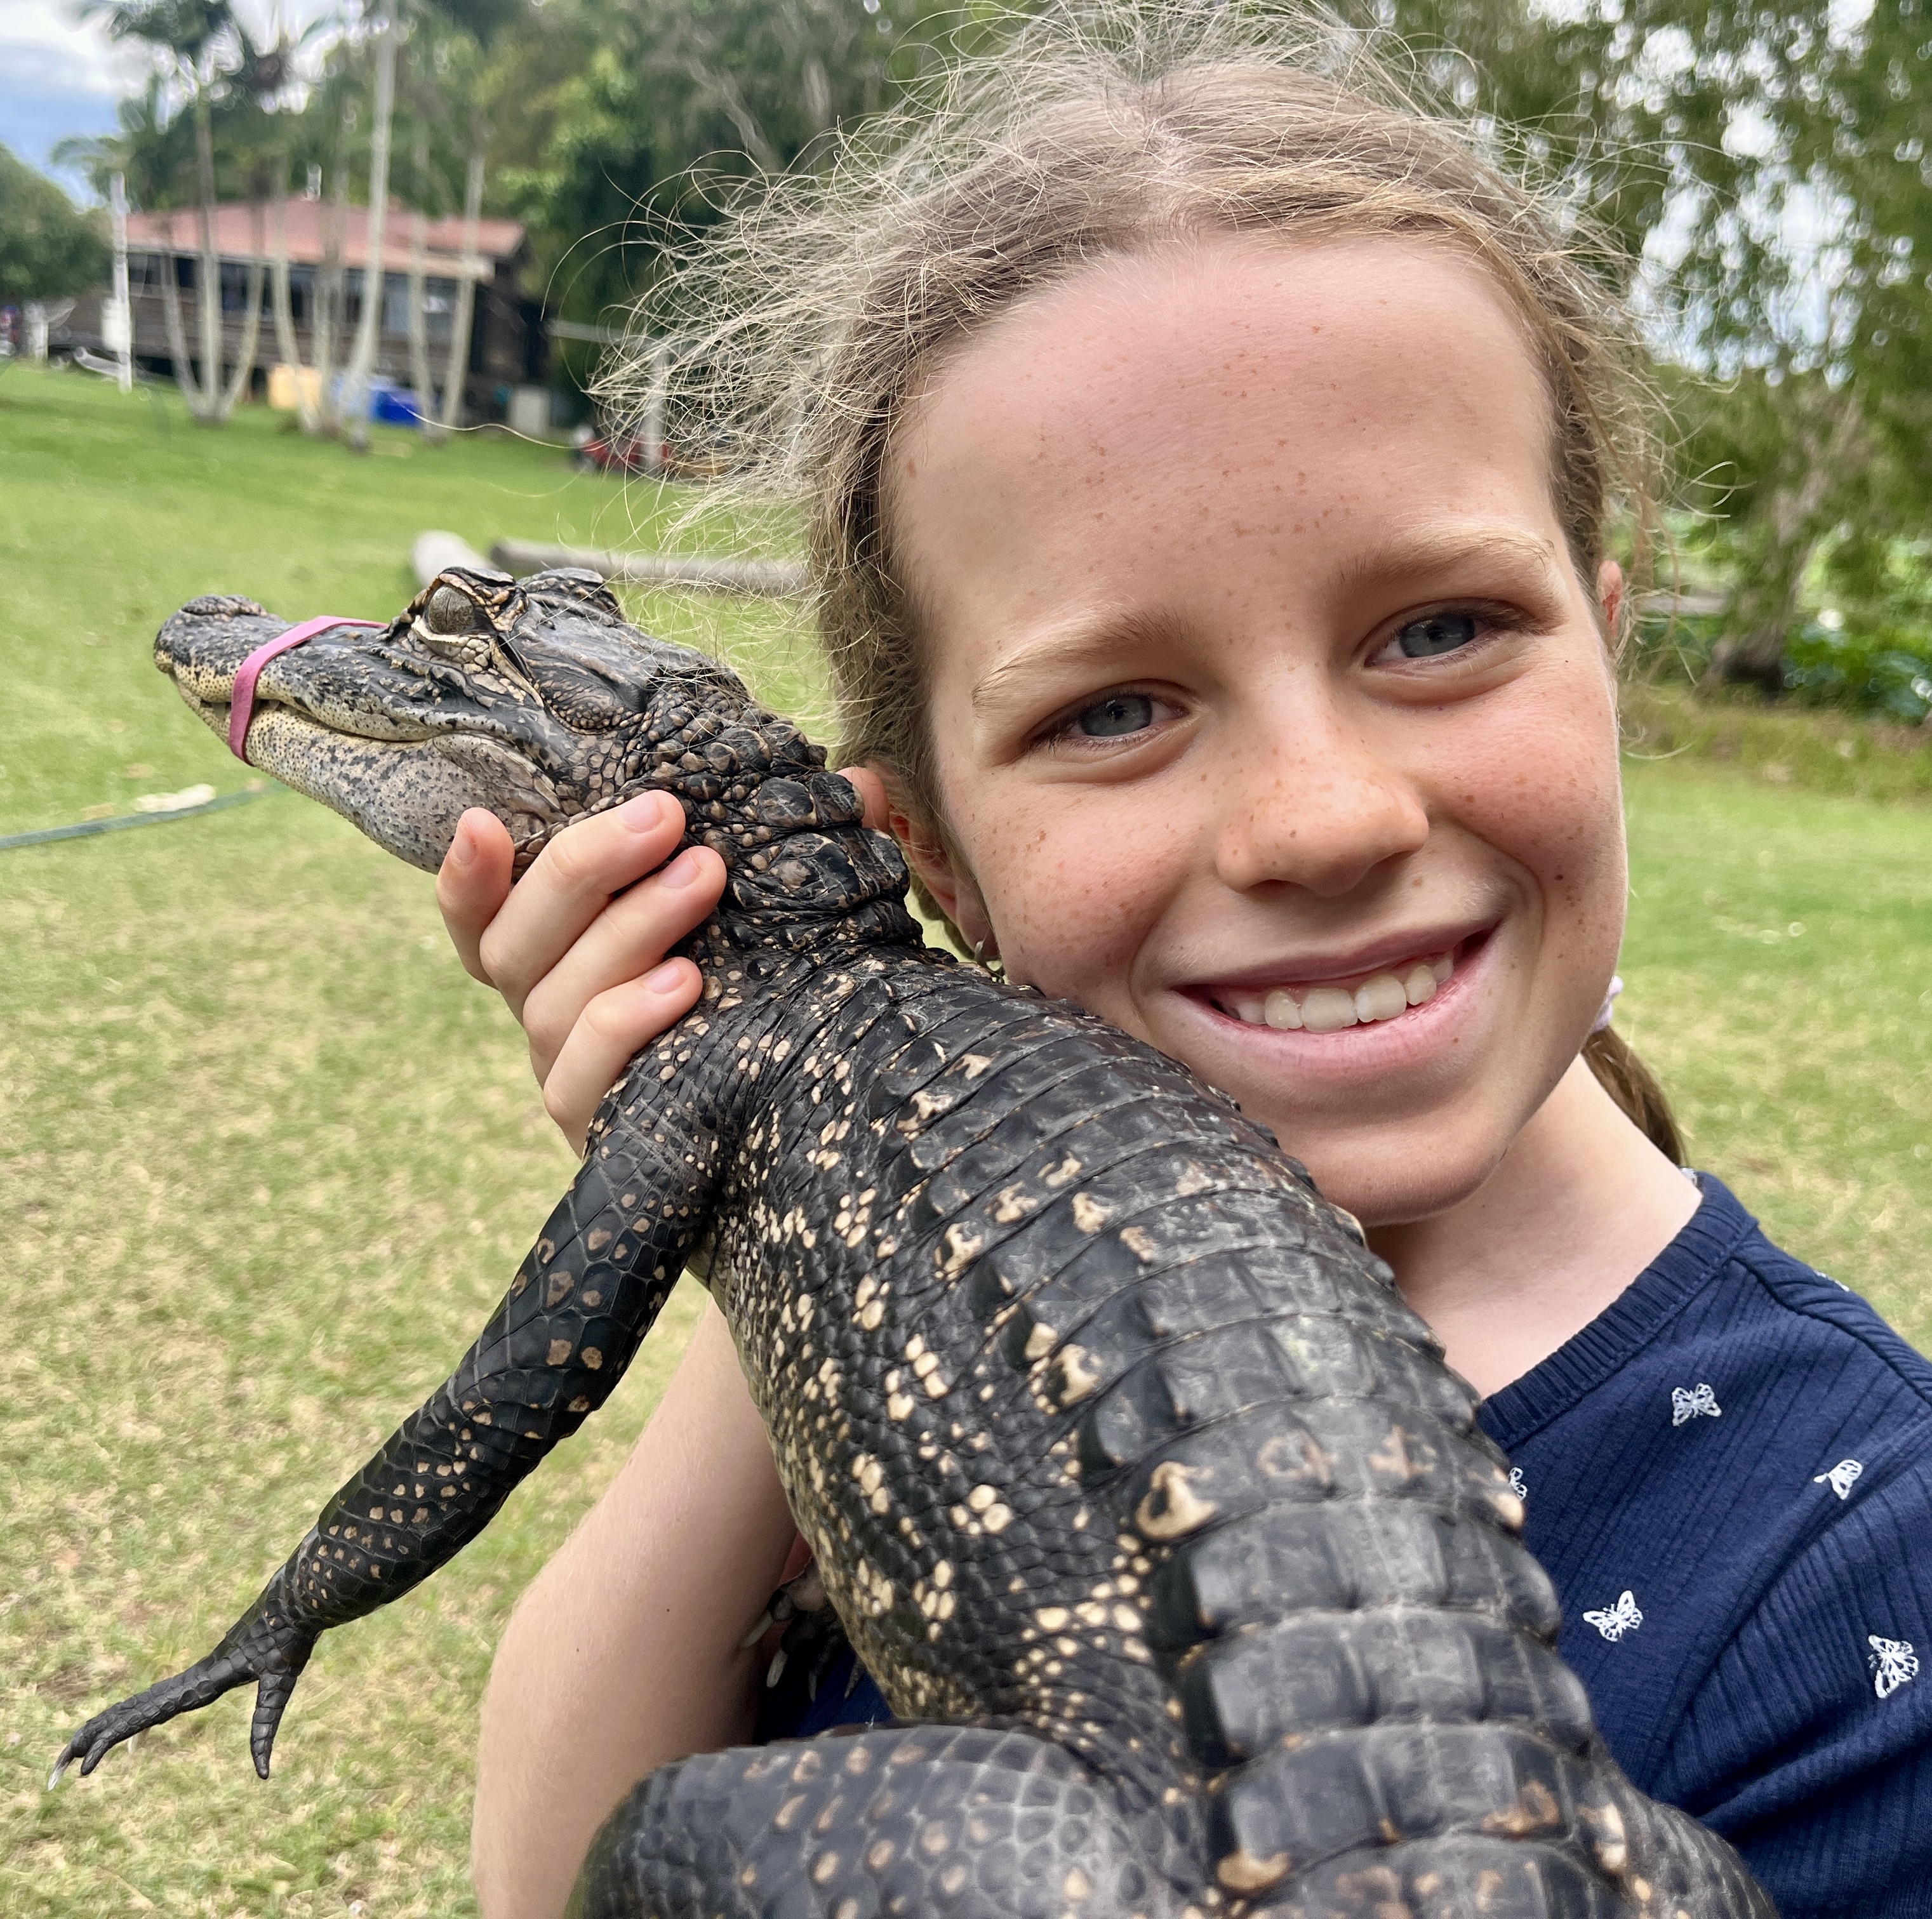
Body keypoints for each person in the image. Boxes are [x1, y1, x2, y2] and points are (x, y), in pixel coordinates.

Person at [436, 13, 1932, 1915]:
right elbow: (555, 1870)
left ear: (1605, 652)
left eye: (1441, 626)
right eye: (1114, 708)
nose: (1317, 819)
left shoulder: (1870, 1572)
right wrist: (784, 1155)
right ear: (934, 862)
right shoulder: (909, 1333)